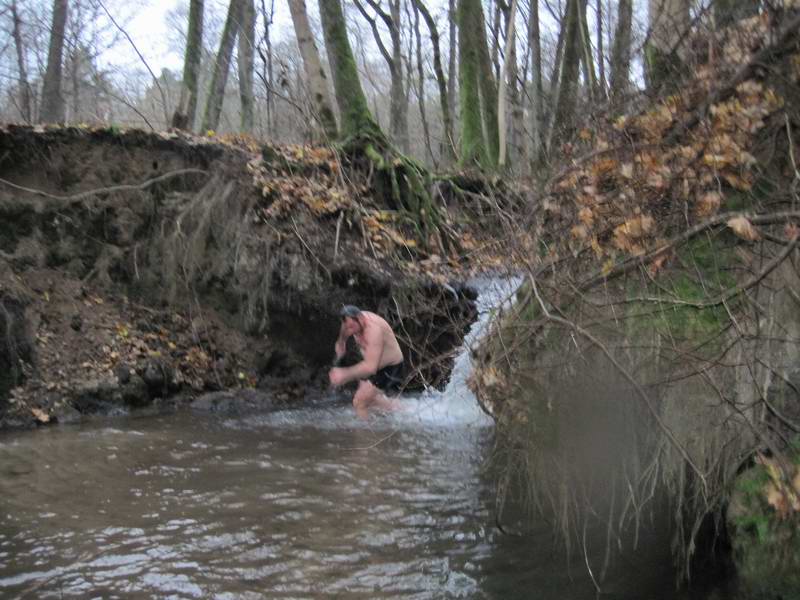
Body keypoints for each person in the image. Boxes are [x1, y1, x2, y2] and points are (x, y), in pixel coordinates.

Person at [329, 305, 405, 418]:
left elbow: (370, 367)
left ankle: (366, 434)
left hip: (391, 367)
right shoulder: (350, 320)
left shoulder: (374, 330)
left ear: (360, 318)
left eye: (352, 327)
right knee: (369, 401)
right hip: (373, 363)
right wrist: (341, 342)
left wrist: (344, 374)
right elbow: (344, 328)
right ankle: (403, 410)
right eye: (348, 327)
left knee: (359, 402)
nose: (351, 331)